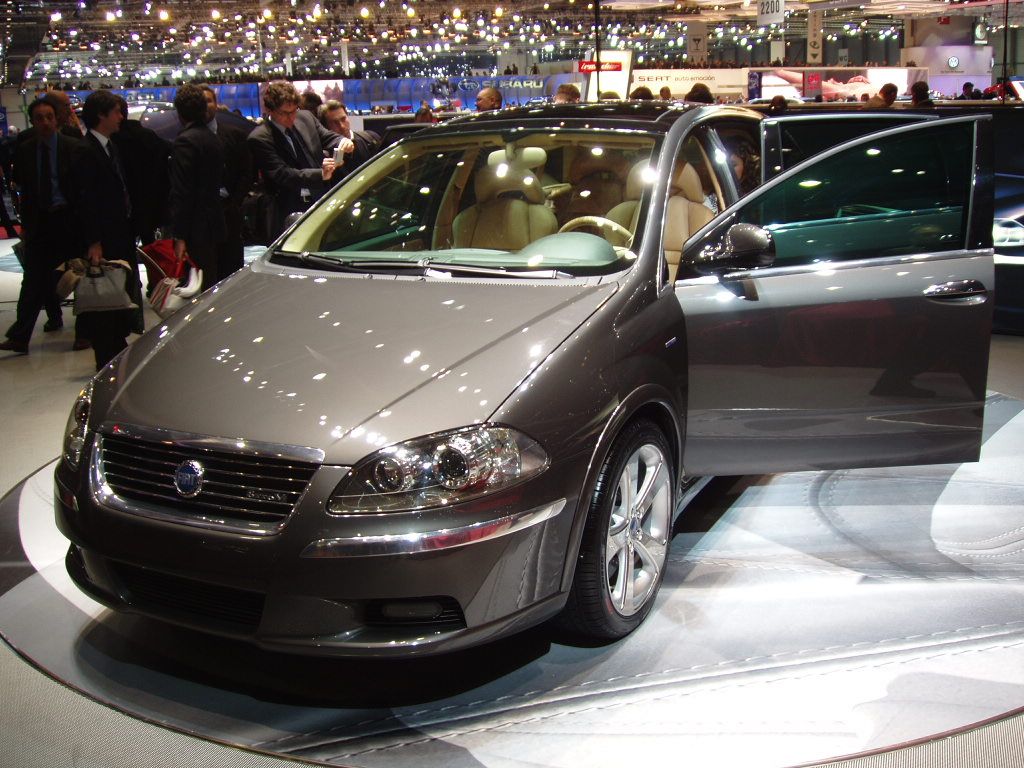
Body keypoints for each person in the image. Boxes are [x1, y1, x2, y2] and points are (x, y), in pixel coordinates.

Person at [0, 96, 82, 356]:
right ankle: (20, 336)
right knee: (32, 280)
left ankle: (85, 333)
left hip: (69, 221)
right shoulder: (25, 150)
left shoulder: (73, 147)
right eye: (39, 118)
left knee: (80, 280)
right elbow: (25, 189)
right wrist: (26, 225)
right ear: (33, 121)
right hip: (41, 223)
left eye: (49, 117)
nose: (45, 122)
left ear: (56, 119)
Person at [76, 89, 139, 370]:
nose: (121, 117)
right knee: (104, 295)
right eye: (116, 112)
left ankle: (116, 344)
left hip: (120, 232)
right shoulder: (86, 150)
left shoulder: (111, 147)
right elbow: (85, 199)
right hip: (103, 238)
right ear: (101, 115)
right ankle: (106, 354)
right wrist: (94, 241)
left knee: (119, 291)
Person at [247, 80, 345, 240]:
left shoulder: (305, 117)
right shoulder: (259, 138)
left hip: (321, 200)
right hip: (287, 208)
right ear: (269, 110)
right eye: (284, 113)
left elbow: (327, 136)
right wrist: (320, 174)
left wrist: (342, 141)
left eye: (294, 110)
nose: (291, 117)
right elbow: (282, 174)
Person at [166, 84, 226, 293]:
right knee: (209, 280)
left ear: (179, 112)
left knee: (194, 286)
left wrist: (179, 235)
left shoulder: (185, 141)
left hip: (195, 227)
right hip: (213, 221)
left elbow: (182, 191)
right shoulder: (212, 138)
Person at [201, 85, 253, 279]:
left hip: (229, 210)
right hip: (202, 216)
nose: (205, 106)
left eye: (208, 100)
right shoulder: (187, 139)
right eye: (201, 102)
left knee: (231, 268)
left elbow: (246, 172)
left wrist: (235, 201)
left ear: (216, 104)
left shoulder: (234, 134)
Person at [318, 100, 379, 177]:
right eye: (335, 122)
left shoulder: (370, 138)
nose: (342, 126)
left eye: (343, 119)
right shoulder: (324, 155)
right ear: (325, 127)